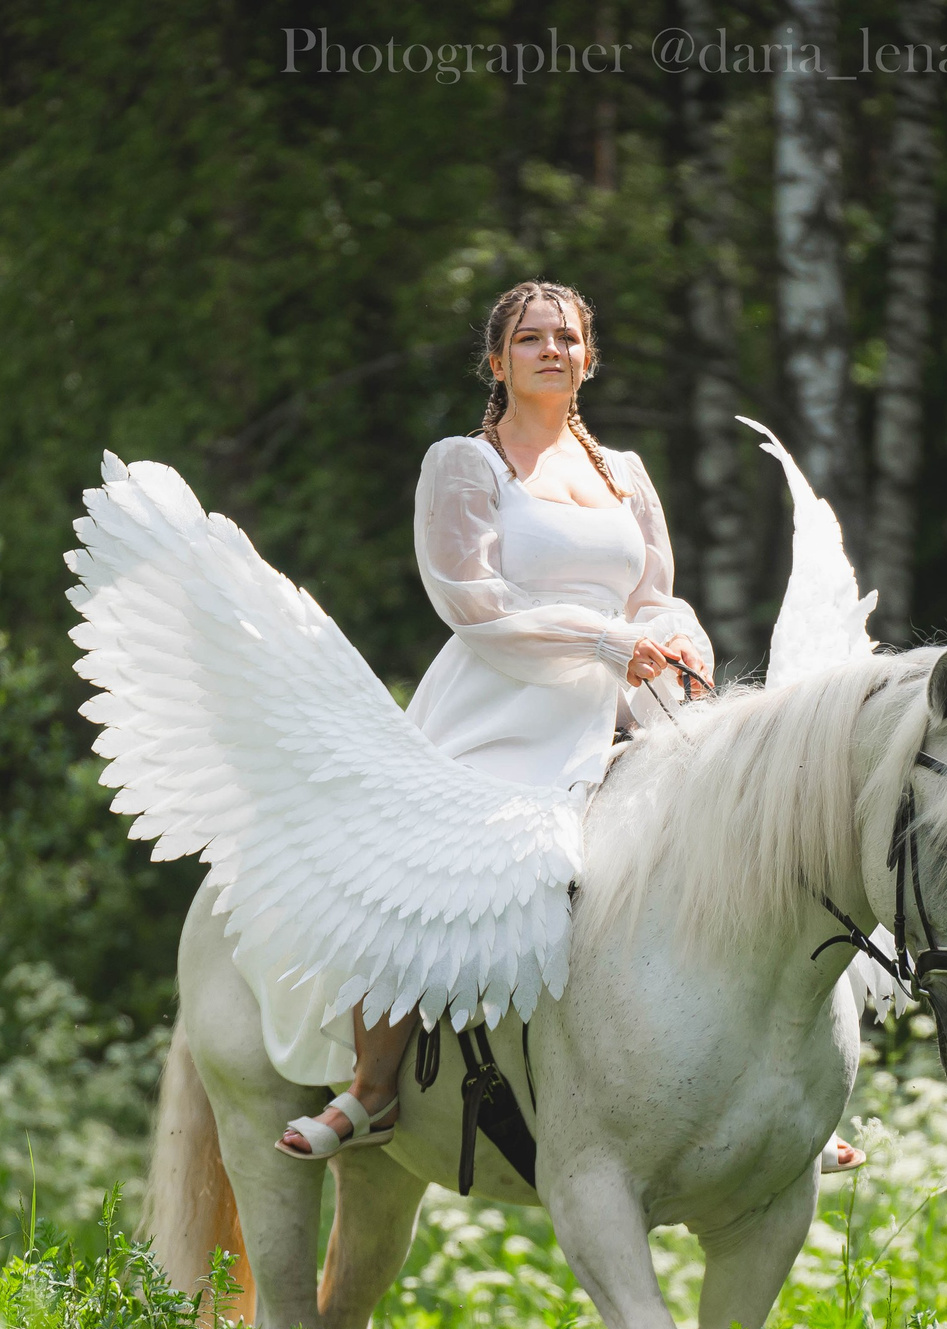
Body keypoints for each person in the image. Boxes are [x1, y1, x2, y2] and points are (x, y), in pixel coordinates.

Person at [276, 279, 714, 1158]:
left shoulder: (623, 473)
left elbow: (653, 595)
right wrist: (603, 641)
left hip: (617, 701)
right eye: (530, 339)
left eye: (567, 338)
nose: (552, 350)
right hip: (501, 703)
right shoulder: (465, 465)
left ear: (589, 359)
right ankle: (372, 1089)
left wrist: (681, 649)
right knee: (418, 869)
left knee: (728, 845)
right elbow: (472, 601)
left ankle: (753, 1090)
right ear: (497, 362)